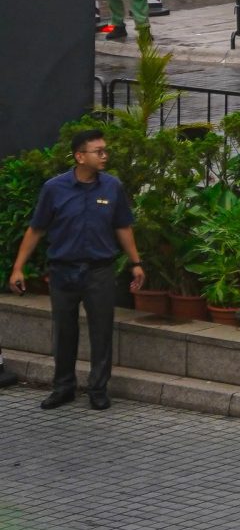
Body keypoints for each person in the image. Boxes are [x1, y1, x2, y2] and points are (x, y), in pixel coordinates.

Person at [8, 127, 145, 409]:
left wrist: (136, 263)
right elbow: (36, 230)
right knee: (64, 331)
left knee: (101, 331)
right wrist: (18, 268)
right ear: (80, 156)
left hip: (100, 271)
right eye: (99, 151)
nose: (105, 156)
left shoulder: (112, 187)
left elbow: (123, 226)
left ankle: (98, 389)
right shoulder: (54, 189)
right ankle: (63, 387)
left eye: (105, 151)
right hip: (63, 271)